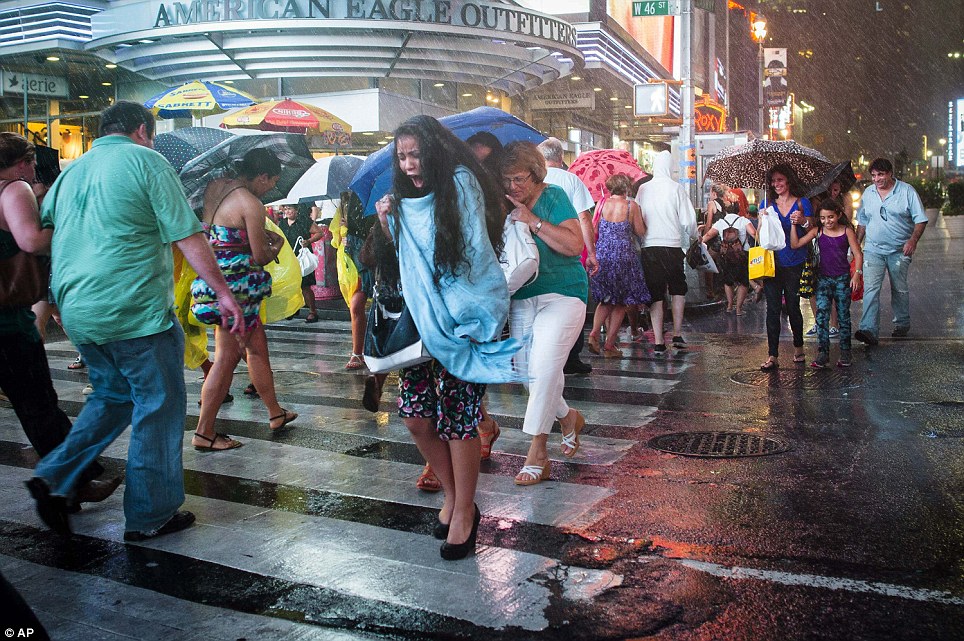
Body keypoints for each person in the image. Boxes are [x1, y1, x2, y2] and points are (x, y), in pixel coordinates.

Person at [27, 101, 245, 541]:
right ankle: (151, 514)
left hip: (78, 308)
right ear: (143, 130)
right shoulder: (148, 161)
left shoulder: (72, 172)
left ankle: (54, 475)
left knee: (112, 396)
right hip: (134, 308)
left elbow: (44, 235)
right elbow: (185, 233)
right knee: (158, 406)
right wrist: (223, 292)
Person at [374, 115, 517, 560]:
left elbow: (473, 252)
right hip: (421, 322)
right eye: (402, 157)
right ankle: (458, 498)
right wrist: (387, 223)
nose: (410, 164)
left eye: (416, 154)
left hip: (465, 319)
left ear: (433, 151)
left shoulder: (460, 181)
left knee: (458, 420)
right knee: (416, 417)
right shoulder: (404, 199)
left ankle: (462, 513)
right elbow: (405, 260)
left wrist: (467, 315)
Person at [0, 133, 120, 512]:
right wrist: (65, 223)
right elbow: (32, 241)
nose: (34, 169)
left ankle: (70, 480)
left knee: (35, 404)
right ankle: (69, 482)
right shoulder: (14, 187)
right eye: (31, 161)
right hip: (7, 322)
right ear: (21, 162)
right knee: (39, 404)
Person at [191, 148, 298, 451]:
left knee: (256, 348)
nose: (270, 189)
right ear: (261, 175)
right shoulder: (251, 204)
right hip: (238, 289)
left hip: (215, 278)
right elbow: (261, 255)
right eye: (271, 182)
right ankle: (204, 431)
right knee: (227, 357)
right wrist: (276, 245)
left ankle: (275, 412)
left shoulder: (215, 187)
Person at [500, 141, 587, 487]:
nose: (513, 187)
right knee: (526, 373)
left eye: (519, 179)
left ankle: (537, 451)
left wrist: (532, 221)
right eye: (506, 180)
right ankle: (568, 417)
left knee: (545, 366)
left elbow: (575, 245)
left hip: (564, 293)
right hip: (522, 296)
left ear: (536, 176)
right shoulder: (502, 204)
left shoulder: (553, 197)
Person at [537, 137, 596, 375]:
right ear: (561, 158)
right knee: (573, 301)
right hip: (569, 250)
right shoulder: (571, 180)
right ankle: (571, 358)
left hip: (539, 250)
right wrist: (591, 252)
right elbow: (584, 218)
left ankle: (542, 357)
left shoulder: (534, 181)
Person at [854, 158, 927, 345]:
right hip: (873, 250)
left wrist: (913, 240)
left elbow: (920, 220)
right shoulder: (868, 193)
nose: (877, 179)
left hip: (899, 250)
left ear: (890, 174)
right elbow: (862, 222)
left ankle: (902, 324)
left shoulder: (906, 191)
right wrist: (855, 247)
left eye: (881, 174)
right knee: (870, 288)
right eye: (874, 175)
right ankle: (868, 329)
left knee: (899, 288)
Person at [634, 150, 698, 353]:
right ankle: (677, 333)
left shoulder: (643, 189)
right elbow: (688, 221)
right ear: (670, 167)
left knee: (656, 293)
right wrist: (696, 236)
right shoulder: (676, 188)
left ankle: (659, 340)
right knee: (678, 289)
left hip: (650, 248)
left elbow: (636, 216)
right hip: (672, 247)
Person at [790, 199, 863, 368]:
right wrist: (794, 225)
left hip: (843, 279)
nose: (827, 221)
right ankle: (823, 353)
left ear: (838, 215)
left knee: (844, 317)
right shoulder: (818, 231)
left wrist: (856, 275)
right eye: (823, 218)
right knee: (821, 318)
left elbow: (857, 254)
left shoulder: (847, 231)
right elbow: (795, 244)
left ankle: (846, 352)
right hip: (822, 278)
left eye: (830, 217)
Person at [587, 173, 650, 356]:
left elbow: (594, 229)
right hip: (623, 257)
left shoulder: (601, 204)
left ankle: (593, 334)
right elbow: (640, 231)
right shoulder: (631, 206)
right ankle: (609, 346)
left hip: (603, 255)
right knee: (621, 302)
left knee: (606, 299)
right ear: (626, 188)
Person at [758, 164, 813, 370]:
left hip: (794, 261)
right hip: (772, 263)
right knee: (772, 308)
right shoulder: (767, 203)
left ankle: (798, 347)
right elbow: (760, 235)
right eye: (773, 181)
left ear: (788, 181)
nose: (776, 184)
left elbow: (813, 225)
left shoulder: (801, 203)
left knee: (792, 306)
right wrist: (762, 219)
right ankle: (773, 355)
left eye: (780, 180)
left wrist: (803, 220)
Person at [701, 203, 756, 316]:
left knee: (728, 281)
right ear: (738, 211)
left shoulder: (721, 222)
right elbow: (754, 233)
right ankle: (739, 309)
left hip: (726, 256)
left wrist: (699, 242)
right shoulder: (743, 220)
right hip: (742, 255)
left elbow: (708, 236)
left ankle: (730, 306)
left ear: (726, 211)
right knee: (743, 282)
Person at [278, 202, 324, 323]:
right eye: (286, 209)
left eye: (290, 209)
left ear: (297, 210)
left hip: (302, 257)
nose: (287, 211)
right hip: (288, 258)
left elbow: (320, 233)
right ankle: (293, 308)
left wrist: (309, 241)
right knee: (289, 285)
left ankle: (313, 311)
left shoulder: (304, 222)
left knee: (305, 286)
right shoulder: (282, 223)